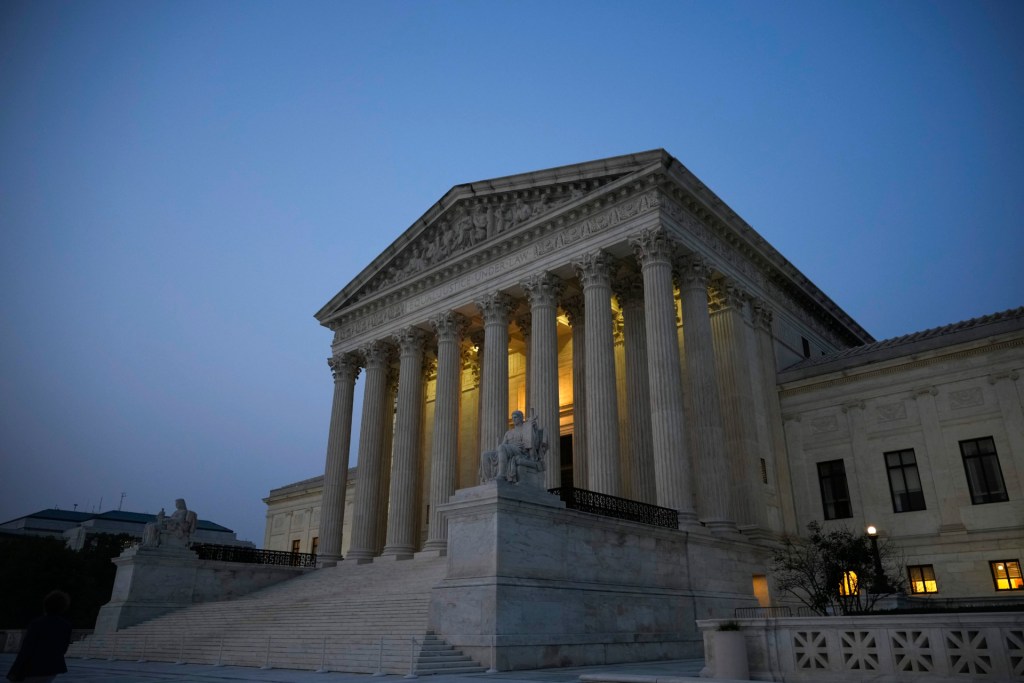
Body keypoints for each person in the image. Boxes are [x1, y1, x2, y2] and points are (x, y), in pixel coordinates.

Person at [6, 591, 73, 683]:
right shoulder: (66, 625)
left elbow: (26, 649)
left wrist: (14, 671)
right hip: (52, 669)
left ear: (45, 606)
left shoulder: (37, 623)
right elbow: (63, 648)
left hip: (32, 669)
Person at [479, 410, 547, 484]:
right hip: (507, 449)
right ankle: (488, 480)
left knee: (502, 448)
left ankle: (502, 475)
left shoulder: (526, 429)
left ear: (521, 418)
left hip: (520, 451)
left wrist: (534, 428)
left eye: (516, 417)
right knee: (485, 454)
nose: (513, 419)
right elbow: (502, 445)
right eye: (512, 418)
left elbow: (535, 443)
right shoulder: (508, 433)